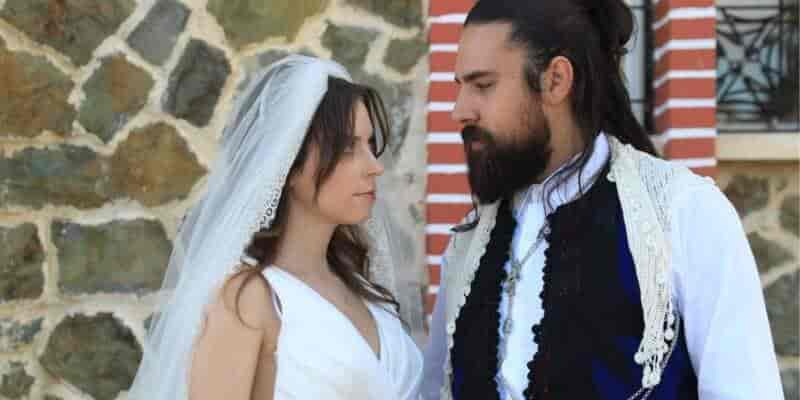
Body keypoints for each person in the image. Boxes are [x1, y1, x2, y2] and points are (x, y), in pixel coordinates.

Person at [421, 1, 784, 399]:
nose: (459, 110)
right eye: (460, 86)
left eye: (483, 85)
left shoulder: (685, 214)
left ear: (555, 80)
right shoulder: (468, 244)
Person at [129, 55, 422, 400]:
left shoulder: (362, 287)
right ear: (289, 166)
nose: (375, 167)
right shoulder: (248, 298)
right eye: (347, 148)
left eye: (371, 145)